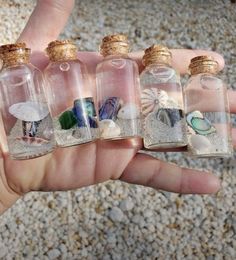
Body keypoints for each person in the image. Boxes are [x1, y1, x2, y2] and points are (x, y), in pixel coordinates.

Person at [0, 0, 235, 215]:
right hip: (55, 137)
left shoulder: (139, 68)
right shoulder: (44, 71)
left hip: (133, 125)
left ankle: (208, 139)